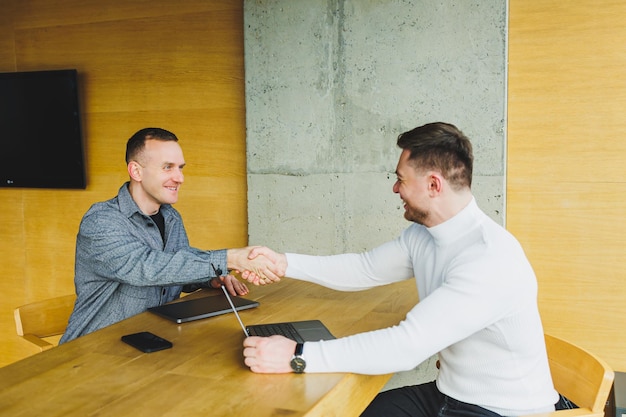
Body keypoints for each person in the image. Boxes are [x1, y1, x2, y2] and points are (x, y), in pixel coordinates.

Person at [241, 122, 560, 417]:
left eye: (400, 179)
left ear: (433, 184)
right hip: (448, 396)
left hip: (501, 411)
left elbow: (406, 346)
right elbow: (364, 268)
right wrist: (283, 263)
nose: (395, 189)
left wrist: (296, 356)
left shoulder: (489, 259)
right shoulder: (424, 235)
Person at [60, 127, 279, 343]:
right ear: (136, 171)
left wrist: (210, 277)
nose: (180, 177)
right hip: (91, 351)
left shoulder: (170, 217)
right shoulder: (101, 221)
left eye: (180, 168)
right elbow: (148, 268)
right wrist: (229, 258)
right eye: (167, 167)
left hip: (149, 341)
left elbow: (174, 268)